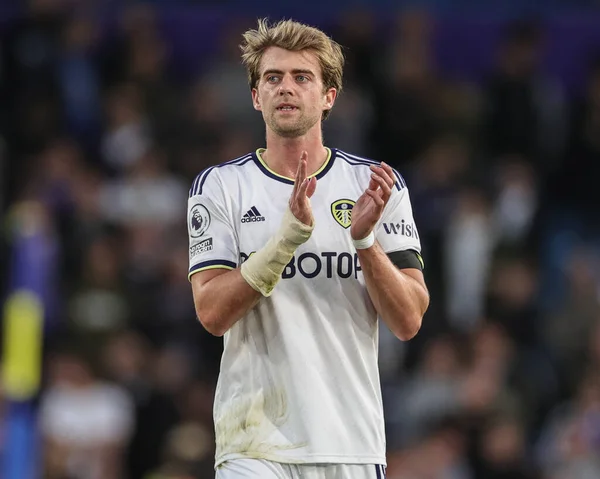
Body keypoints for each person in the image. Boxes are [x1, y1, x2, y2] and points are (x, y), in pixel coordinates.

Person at [187, 18, 429, 479]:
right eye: (272, 78)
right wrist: (285, 241)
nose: (286, 88)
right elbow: (211, 314)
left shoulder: (375, 185)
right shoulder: (222, 187)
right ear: (256, 97)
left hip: (349, 442)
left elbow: (409, 319)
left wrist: (364, 241)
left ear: (328, 96)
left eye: (302, 77)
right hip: (253, 445)